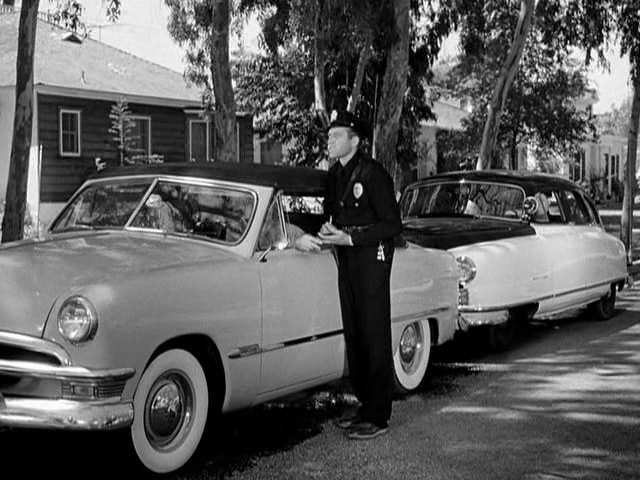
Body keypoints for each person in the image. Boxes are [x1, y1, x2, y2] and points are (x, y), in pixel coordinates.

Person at [318, 109, 402, 440]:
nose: (330, 141)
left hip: (371, 257)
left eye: (336, 136)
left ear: (354, 141)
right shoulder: (335, 175)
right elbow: (333, 215)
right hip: (347, 257)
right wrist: (327, 231)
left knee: (373, 333)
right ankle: (365, 403)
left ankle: (378, 415)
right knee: (354, 334)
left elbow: (392, 224)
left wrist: (351, 237)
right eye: (329, 136)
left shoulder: (372, 174)